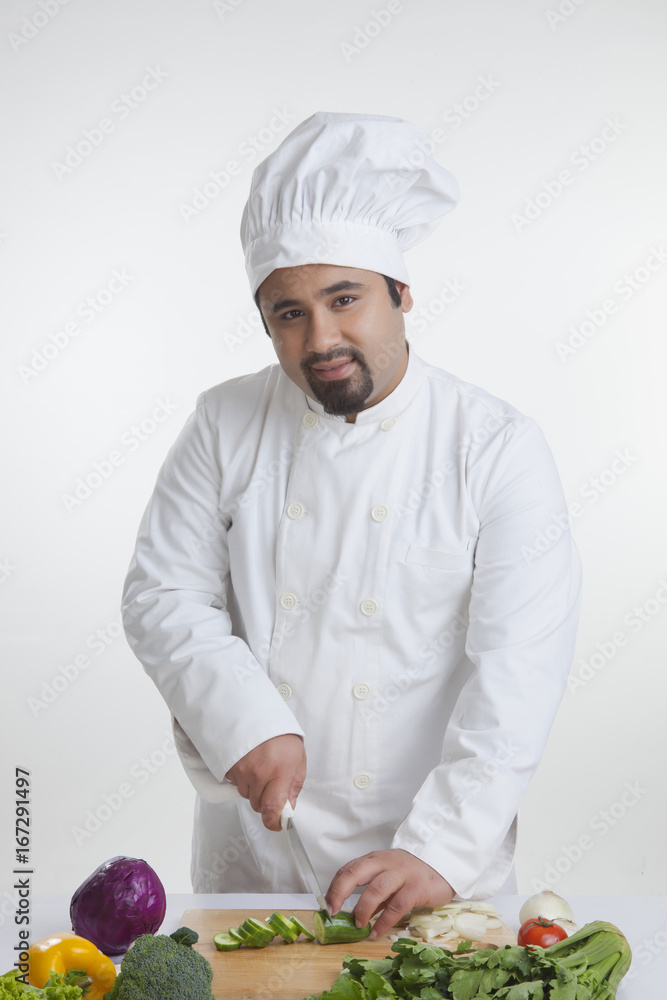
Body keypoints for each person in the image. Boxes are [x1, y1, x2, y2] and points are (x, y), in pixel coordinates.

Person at [121, 111, 581, 938]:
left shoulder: (495, 446)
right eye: (288, 312)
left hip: (431, 872)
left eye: (344, 298)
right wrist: (245, 721)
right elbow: (162, 595)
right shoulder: (223, 422)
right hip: (256, 865)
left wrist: (441, 848)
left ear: (401, 293)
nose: (321, 338)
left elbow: (517, 672)